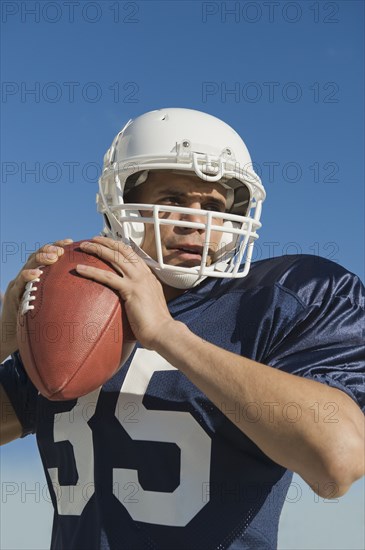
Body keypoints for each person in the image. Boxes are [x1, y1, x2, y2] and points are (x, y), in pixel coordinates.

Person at [1, 108, 364, 550]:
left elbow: (337, 463)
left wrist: (168, 335)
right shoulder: (81, 311)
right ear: (123, 205)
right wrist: (5, 333)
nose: (196, 220)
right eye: (172, 199)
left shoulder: (283, 296)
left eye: (213, 206)